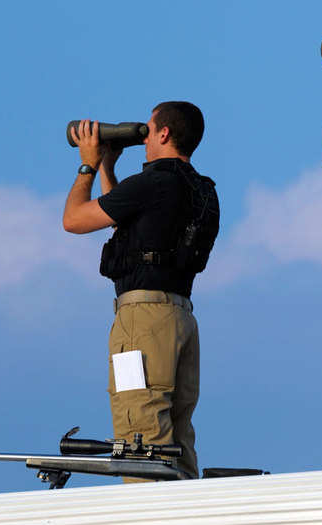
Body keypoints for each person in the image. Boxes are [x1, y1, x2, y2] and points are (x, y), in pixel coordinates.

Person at [62, 101, 220, 480]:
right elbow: (129, 228)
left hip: (142, 323)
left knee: (141, 434)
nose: (144, 135)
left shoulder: (152, 183)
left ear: (163, 133)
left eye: (149, 128)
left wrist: (87, 164)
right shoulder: (203, 191)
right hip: (181, 319)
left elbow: (74, 219)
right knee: (176, 440)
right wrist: (108, 168)